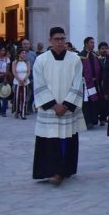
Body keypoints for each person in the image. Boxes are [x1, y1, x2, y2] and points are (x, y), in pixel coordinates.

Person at [32, 27, 86, 186]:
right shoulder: (41, 60)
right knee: (50, 141)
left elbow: (77, 83)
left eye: (63, 39)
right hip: (50, 109)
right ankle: (52, 171)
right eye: (57, 39)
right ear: (50, 40)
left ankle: (65, 170)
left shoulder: (75, 59)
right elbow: (39, 84)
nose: (60, 42)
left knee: (66, 140)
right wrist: (53, 105)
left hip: (67, 109)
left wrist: (67, 105)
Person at [79, 37, 104, 128]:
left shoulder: (95, 55)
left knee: (95, 102)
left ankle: (94, 120)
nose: (93, 44)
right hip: (85, 84)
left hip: (95, 83)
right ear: (86, 44)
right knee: (86, 103)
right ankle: (87, 121)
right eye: (91, 43)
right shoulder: (80, 55)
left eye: (93, 43)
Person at [12, 49, 31, 120]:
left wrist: (24, 79)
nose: (24, 54)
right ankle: (17, 111)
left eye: (25, 53)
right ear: (19, 54)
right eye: (22, 53)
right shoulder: (15, 62)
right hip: (17, 81)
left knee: (24, 98)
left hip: (25, 81)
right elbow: (14, 72)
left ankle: (23, 113)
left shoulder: (27, 62)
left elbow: (28, 72)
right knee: (17, 98)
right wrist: (19, 80)